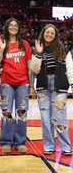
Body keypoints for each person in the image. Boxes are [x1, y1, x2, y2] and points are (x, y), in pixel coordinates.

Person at [0, 18, 32, 154]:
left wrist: (31, 85)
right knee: (6, 113)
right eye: (11, 25)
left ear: (18, 28)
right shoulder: (2, 44)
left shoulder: (24, 44)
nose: (13, 27)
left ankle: (20, 142)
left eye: (16, 25)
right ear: (7, 27)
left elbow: (29, 66)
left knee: (22, 113)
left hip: (22, 83)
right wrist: (1, 50)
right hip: (7, 83)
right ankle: (6, 142)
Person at [31, 24, 72, 155]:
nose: (49, 35)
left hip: (59, 87)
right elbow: (34, 70)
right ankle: (49, 146)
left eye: (52, 33)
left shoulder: (63, 49)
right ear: (43, 33)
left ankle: (66, 146)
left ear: (55, 36)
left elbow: (70, 69)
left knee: (60, 118)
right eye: (47, 32)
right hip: (43, 87)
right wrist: (38, 53)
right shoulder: (37, 49)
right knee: (45, 119)